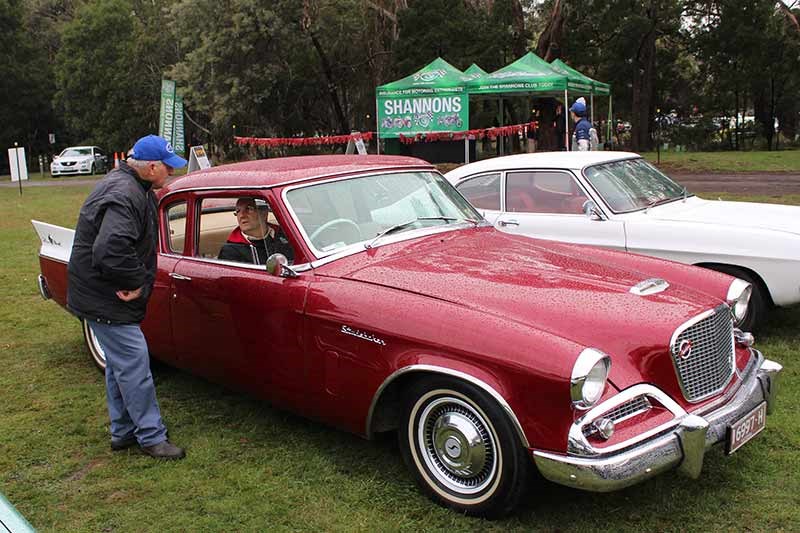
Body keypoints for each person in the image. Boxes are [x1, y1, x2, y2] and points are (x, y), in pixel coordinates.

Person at [67, 134, 187, 460]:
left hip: (97, 293)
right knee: (135, 364)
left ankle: (122, 431)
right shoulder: (124, 194)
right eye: (168, 167)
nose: (171, 173)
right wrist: (135, 280)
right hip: (104, 297)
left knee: (120, 365)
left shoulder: (134, 186)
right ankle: (151, 436)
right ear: (150, 167)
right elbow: (109, 248)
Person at [218, 197, 295, 264]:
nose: (242, 216)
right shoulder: (231, 249)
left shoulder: (285, 234)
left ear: (264, 212)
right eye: (238, 211)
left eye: (248, 209)